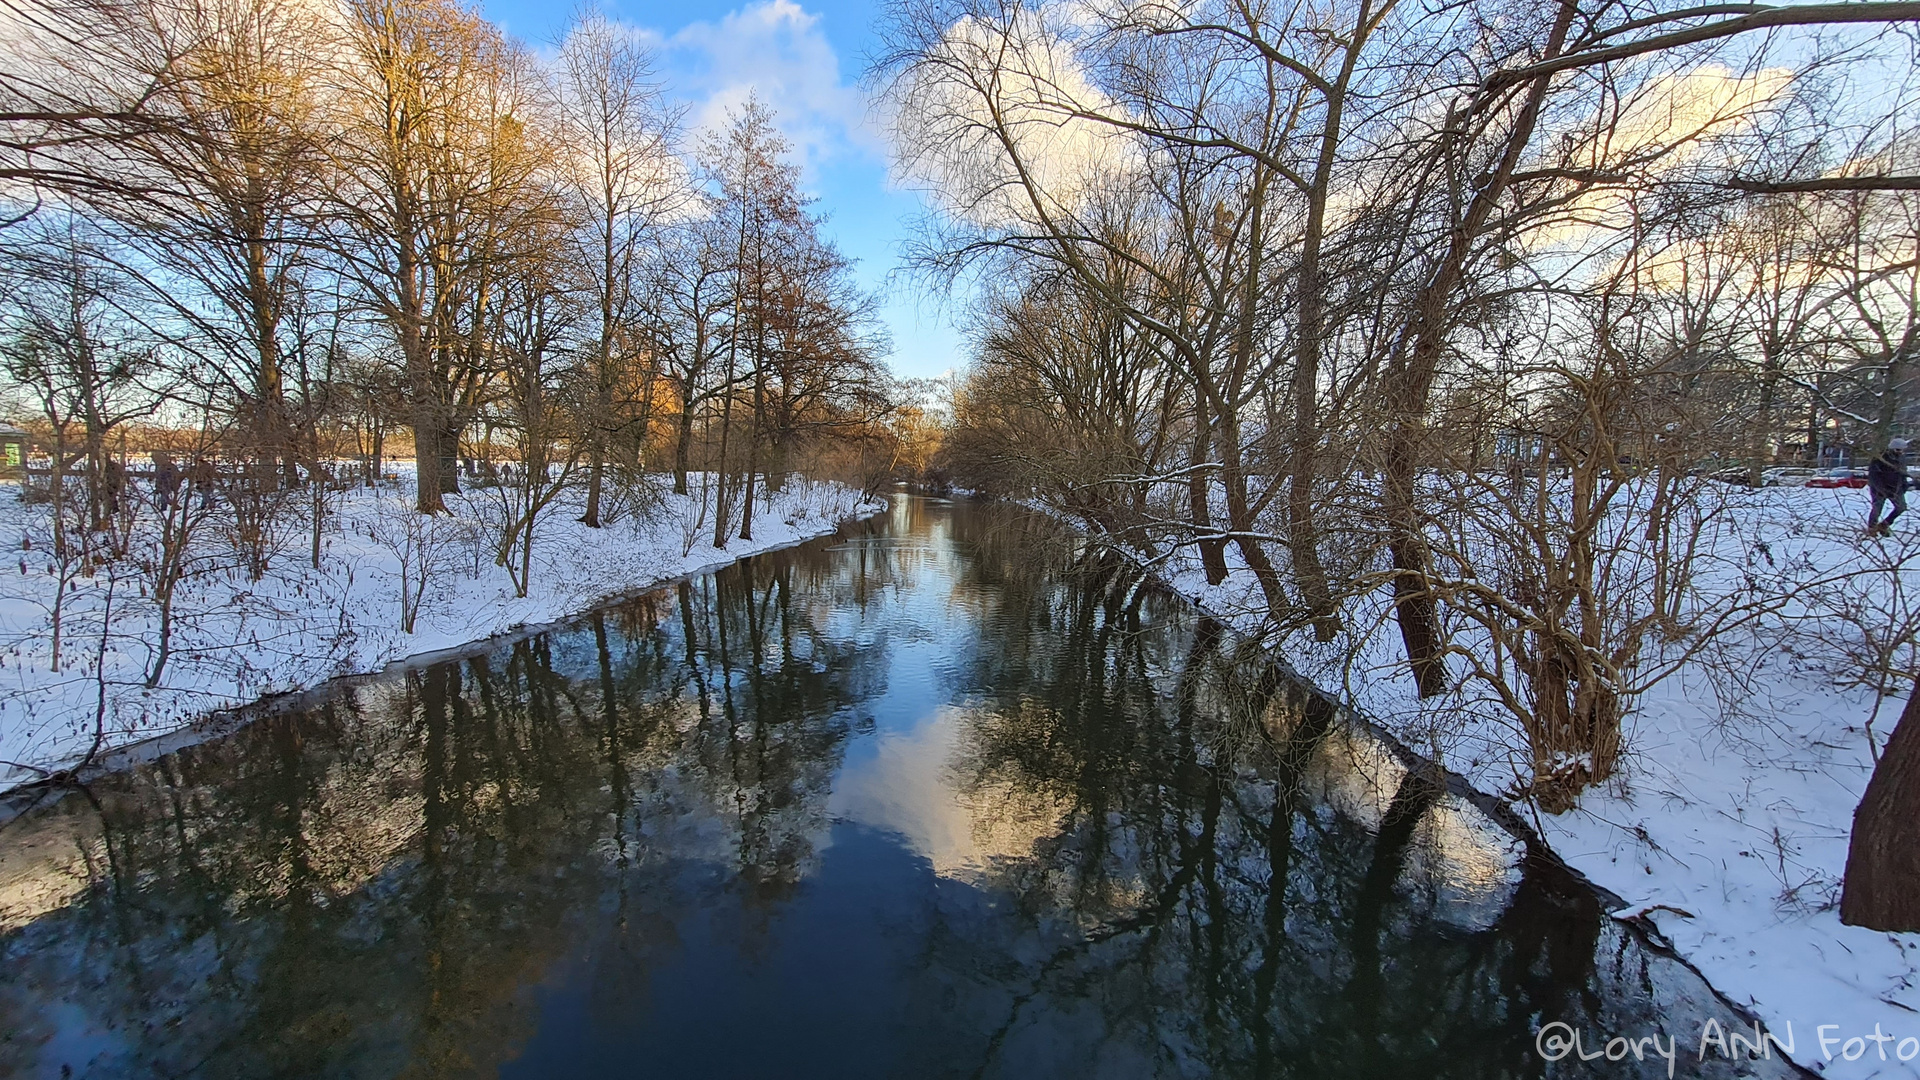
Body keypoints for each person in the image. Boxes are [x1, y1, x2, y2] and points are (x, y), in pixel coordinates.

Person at [1868, 437, 1916, 536]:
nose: (1900, 452)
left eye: (1902, 450)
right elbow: (1874, 475)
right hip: (1880, 488)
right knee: (1877, 508)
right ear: (1892, 448)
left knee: (1901, 507)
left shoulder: (1901, 459)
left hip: (1896, 488)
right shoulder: (1880, 457)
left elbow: (1903, 473)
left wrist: (1904, 486)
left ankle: (1884, 525)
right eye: (1898, 450)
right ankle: (1872, 528)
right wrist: (1880, 489)